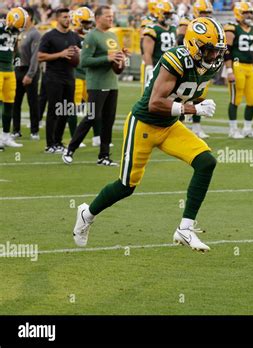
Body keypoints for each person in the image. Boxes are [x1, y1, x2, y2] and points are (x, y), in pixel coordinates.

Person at [72, 17, 227, 253]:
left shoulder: (210, 65)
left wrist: (199, 101)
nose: (214, 56)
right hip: (144, 124)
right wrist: (193, 109)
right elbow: (155, 103)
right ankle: (87, 214)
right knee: (127, 186)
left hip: (169, 125)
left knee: (206, 161)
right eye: (210, 50)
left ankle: (185, 228)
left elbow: (184, 93)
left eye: (217, 51)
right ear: (195, 45)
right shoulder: (175, 59)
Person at [62, 5, 125, 166]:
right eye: (107, 16)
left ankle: (104, 156)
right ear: (98, 18)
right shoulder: (92, 36)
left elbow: (114, 59)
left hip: (112, 83)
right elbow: (85, 61)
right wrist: (108, 58)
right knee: (91, 117)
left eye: (112, 16)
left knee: (108, 120)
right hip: (97, 84)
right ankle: (70, 149)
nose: (111, 18)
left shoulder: (112, 35)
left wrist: (120, 57)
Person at [38, 7, 82, 154]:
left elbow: (81, 53)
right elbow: (40, 56)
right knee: (53, 110)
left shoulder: (74, 36)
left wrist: (79, 54)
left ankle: (58, 141)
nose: (67, 19)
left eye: (68, 17)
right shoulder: (49, 36)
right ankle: (49, 144)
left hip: (70, 77)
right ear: (57, 19)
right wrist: (60, 54)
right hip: (53, 77)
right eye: (64, 17)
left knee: (66, 110)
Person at [224, 1, 253, 139]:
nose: (249, 15)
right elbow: (226, 50)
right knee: (236, 98)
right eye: (246, 12)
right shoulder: (232, 27)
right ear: (239, 13)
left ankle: (247, 129)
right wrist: (229, 70)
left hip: (249, 66)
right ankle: (233, 129)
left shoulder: (252, 28)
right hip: (237, 65)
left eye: (250, 12)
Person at [176, 0, 214, 139]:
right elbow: (180, 39)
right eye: (204, 12)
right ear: (197, 12)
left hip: (203, 64)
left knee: (200, 94)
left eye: (208, 13)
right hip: (188, 62)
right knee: (182, 95)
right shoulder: (186, 21)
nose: (206, 15)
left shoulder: (210, 25)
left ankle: (197, 128)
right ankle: (178, 127)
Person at [0, 7, 30, 150]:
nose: (18, 30)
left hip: (9, 70)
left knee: (9, 103)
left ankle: (6, 136)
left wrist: (16, 64)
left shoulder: (15, 30)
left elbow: (15, 48)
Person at [12, 7, 41, 141]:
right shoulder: (19, 32)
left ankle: (34, 130)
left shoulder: (35, 34)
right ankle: (16, 130)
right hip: (17, 70)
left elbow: (35, 56)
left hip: (29, 70)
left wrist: (30, 74)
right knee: (15, 102)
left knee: (32, 102)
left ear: (28, 16)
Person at [72, 6, 100, 148]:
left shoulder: (92, 36)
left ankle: (97, 136)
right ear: (77, 21)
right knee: (74, 108)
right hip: (76, 75)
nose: (89, 25)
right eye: (85, 22)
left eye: (90, 22)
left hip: (89, 76)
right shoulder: (72, 36)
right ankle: (74, 137)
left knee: (94, 107)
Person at [142, 0, 176, 88]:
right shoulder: (152, 29)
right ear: (159, 13)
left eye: (171, 14)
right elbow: (147, 53)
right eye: (167, 14)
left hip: (170, 67)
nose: (169, 17)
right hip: (156, 66)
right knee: (149, 97)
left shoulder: (173, 28)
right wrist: (149, 68)